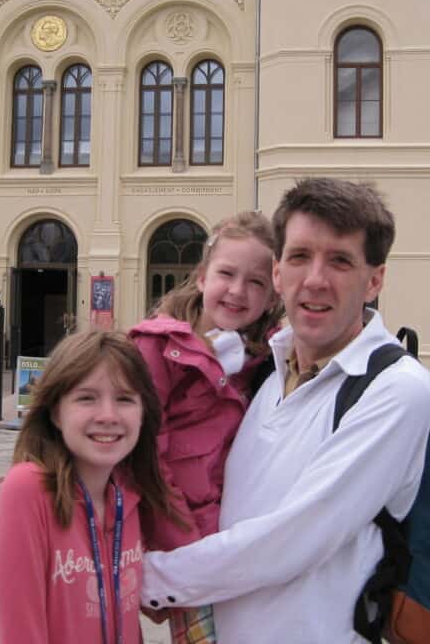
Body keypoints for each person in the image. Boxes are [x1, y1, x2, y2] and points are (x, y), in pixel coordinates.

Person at [141, 178, 430, 643]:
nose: (315, 279)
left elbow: (296, 537)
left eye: (340, 260)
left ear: (374, 279)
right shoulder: (265, 370)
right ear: (279, 274)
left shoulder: (395, 388)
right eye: (299, 257)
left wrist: (148, 578)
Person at [129, 211, 283, 644]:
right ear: (201, 278)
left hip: (233, 543)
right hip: (190, 543)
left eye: (256, 282)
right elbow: (146, 455)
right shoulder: (159, 347)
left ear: (272, 296)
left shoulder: (263, 359)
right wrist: (185, 551)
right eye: (227, 274)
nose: (237, 291)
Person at [0, 331, 179, 644]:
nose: (108, 416)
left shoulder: (128, 496)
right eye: (86, 398)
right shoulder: (27, 490)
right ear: (55, 412)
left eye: (125, 399)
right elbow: (20, 631)